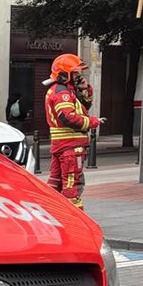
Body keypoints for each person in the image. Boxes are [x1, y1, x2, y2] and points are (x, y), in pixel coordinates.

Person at [44, 53, 102, 209]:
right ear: (65, 74)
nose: (78, 75)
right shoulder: (63, 93)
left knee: (55, 183)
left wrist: (85, 90)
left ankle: (51, 214)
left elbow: (82, 107)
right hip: (70, 146)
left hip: (62, 145)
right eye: (75, 72)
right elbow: (68, 118)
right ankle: (77, 222)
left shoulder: (63, 90)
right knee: (72, 186)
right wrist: (92, 122)